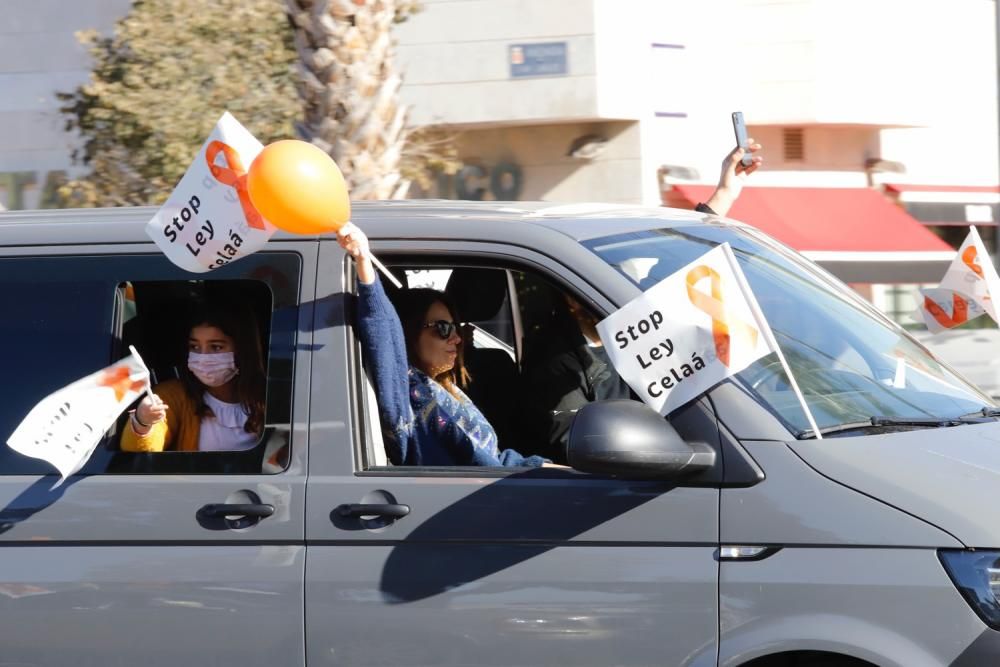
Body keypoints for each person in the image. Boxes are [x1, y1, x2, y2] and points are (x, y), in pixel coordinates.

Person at [526, 141, 764, 458]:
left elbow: (685, 263)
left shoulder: (643, 328)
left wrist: (725, 192)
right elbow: (575, 444)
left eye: (626, 286)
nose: (626, 300)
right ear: (573, 301)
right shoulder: (558, 362)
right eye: (609, 287)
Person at [338, 225, 547, 468]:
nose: (457, 339)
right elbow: (383, 331)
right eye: (442, 328)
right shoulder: (407, 394)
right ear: (408, 333)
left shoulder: (447, 390)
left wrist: (547, 467)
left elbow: (494, 457)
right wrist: (364, 262)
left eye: (455, 328)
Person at [120, 302, 266, 452]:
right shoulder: (171, 396)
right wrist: (143, 422)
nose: (203, 357)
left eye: (216, 347)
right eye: (195, 347)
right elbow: (139, 455)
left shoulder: (273, 395)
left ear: (242, 349)